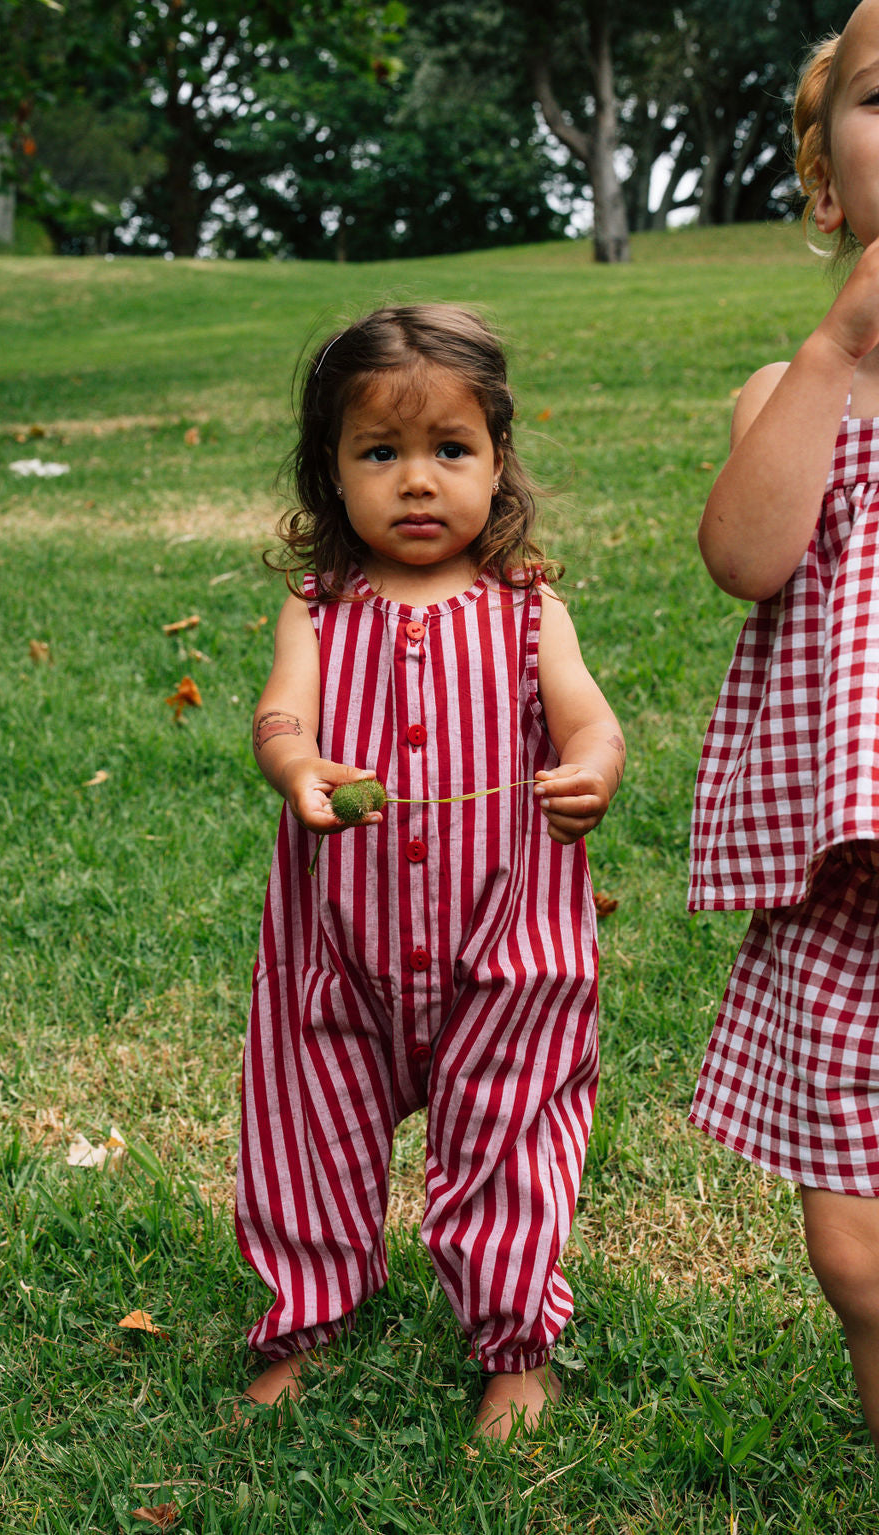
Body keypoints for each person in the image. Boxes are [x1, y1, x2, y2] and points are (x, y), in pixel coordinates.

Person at [234, 302, 625, 1442]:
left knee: (509, 1136)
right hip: (339, 951)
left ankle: (513, 1345)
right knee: (307, 1132)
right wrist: (296, 763)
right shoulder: (318, 607)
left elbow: (590, 721)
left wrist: (591, 768)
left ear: (497, 462)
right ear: (331, 471)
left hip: (509, 948)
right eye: (379, 453)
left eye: (449, 450)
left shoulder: (525, 610)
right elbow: (279, 714)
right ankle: (304, 1317)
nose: (417, 481)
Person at [689, 0, 879, 1453]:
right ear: (827, 184)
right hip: (851, 892)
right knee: (861, 1262)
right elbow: (749, 556)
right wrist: (835, 353)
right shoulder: (789, 389)